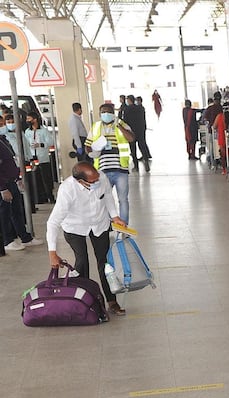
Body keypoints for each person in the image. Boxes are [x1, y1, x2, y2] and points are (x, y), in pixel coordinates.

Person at [46, 162, 127, 317]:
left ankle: (112, 301)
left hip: (99, 224)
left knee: (105, 263)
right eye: (92, 181)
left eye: (97, 178)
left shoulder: (101, 177)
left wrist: (114, 216)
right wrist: (52, 252)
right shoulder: (67, 189)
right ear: (80, 181)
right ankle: (84, 302)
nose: (97, 182)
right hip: (75, 227)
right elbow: (53, 222)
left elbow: (108, 196)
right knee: (82, 262)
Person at [84, 103, 135, 224]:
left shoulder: (121, 124)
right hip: (103, 170)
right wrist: (92, 150)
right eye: (103, 112)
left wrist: (119, 126)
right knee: (103, 198)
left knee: (123, 199)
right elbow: (87, 146)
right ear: (99, 114)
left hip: (120, 168)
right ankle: (108, 225)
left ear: (113, 113)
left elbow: (131, 138)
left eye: (108, 112)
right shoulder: (95, 127)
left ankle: (124, 226)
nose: (105, 114)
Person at [0, 131, 41, 252]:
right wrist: (2, 188)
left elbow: (11, 162)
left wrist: (17, 178)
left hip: (11, 180)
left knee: (17, 210)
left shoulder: (3, 140)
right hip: (4, 183)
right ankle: (8, 241)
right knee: (5, 213)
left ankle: (25, 237)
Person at [25, 111, 55, 204]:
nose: (27, 121)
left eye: (29, 119)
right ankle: (39, 198)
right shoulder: (27, 131)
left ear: (35, 119)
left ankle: (50, 196)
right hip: (32, 157)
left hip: (42, 157)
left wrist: (41, 144)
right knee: (35, 179)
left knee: (46, 179)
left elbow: (50, 142)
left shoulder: (43, 130)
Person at [123, 95, 149, 173]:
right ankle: (146, 161)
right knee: (142, 146)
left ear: (129, 100)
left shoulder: (127, 109)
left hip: (131, 131)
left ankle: (136, 166)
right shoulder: (140, 108)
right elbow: (143, 118)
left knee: (133, 149)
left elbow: (125, 121)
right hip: (140, 130)